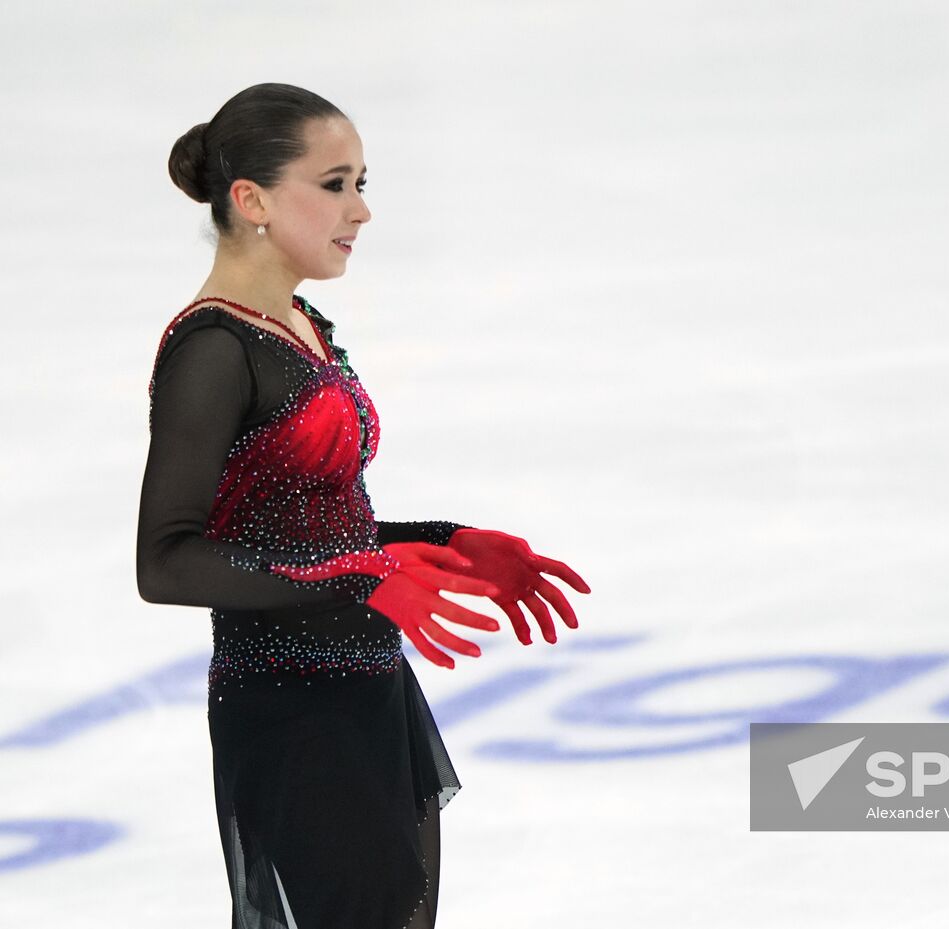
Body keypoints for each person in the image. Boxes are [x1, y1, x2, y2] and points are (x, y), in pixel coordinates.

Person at [135, 82, 590, 929]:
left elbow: (305, 530)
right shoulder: (212, 351)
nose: (362, 210)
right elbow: (165, 561)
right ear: (253, 199)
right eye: (336, 183)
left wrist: (446, 543)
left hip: (372, 691)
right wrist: (361, 577)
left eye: (363, 182)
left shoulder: (300, 323)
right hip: (292, 713)